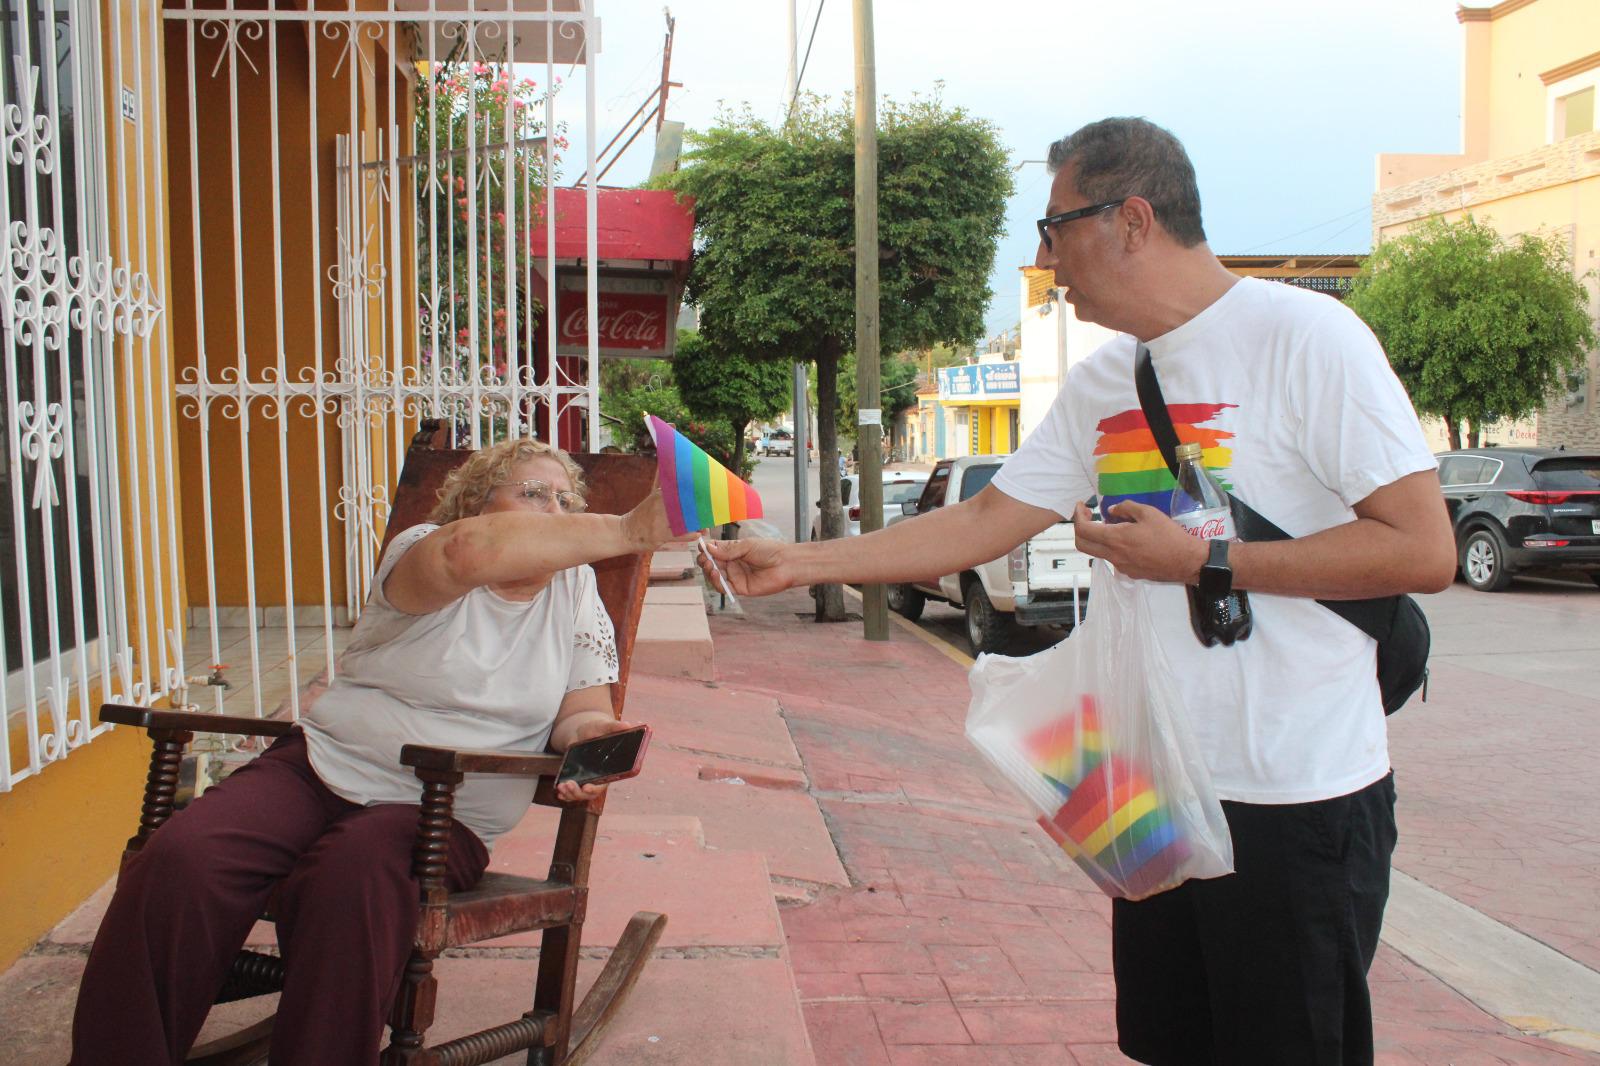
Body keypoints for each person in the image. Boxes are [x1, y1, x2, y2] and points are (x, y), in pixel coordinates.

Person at [703, 117, 1457, 1065]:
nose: (1046, 258)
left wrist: (1209, 564)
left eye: (1055, 227)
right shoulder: (1108, 378)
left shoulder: (1308, 339)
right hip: (1146, 788)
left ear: (1133, 218)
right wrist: (803, 563)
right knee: (1168, 1045)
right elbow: (985, 523)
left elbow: (1423, 549)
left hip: (1293, 799)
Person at [70, 438, 689, 1066]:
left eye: (565, 499)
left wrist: (590, 744)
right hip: (320, 768)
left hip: (439, 812)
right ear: (477, 503)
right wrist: (629, 528)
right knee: (182, 857)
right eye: (532, 492)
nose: (554, 509)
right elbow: (468, 552)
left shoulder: (577, 588)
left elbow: (583, 709)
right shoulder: (424, 549)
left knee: (350, 880)